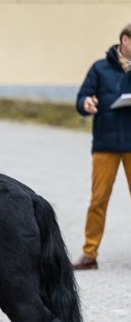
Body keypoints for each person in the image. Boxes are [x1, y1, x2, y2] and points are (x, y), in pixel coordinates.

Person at [73, 24, 131, 271]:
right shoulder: (100, 68)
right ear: (125, 40)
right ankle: (89, 254)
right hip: (105, 144)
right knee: (98, 200)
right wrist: (86, 103)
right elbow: (81, 99)